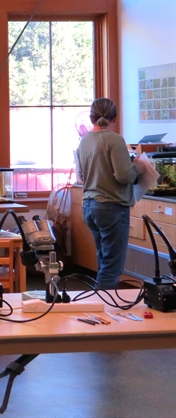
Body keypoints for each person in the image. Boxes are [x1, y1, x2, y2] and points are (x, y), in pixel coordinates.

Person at [76, 97, 144, 289]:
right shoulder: (114, 140)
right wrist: (137, 167)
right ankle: (102, 308)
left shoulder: (85, 141)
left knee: (104, 261)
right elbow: (123, 175)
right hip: (111, 207)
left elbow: (81, 175)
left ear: (91, 118)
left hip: (89, 206)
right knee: (112, 266)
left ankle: (100, 305)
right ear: (115, 117)